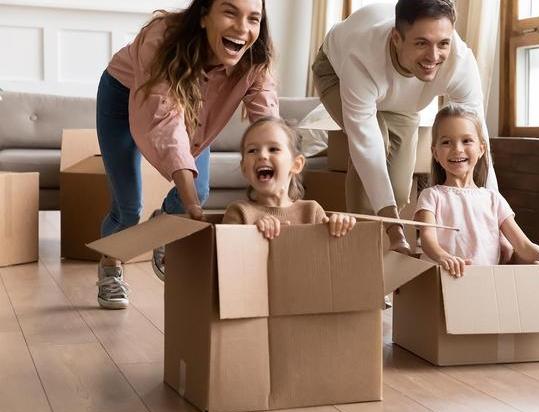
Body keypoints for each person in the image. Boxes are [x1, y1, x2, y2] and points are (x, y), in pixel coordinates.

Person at [95, 0, 278, 309]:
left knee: (200, 189)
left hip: (191, 108)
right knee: (128, 207)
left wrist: (281, 183)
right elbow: (165, 122)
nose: (242, 28)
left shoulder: (254, 60)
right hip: (123, 95)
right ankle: (110, 266)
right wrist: (189, 206)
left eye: (253, 19)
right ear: (204, 15)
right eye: (230, 12)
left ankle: (163, 223)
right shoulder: (162, 38)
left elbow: (268, 124)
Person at [312, 0, 498, 254]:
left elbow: (478, 139)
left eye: (443, 43)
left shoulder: (461, 61)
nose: (434, 56)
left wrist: (497, 220)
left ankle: (385, 249)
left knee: (398, 189)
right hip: (336, 71)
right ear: (396, 38)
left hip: (403, 101)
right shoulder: (361, 56)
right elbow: (367, 149)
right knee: (377, 143)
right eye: (421, 43)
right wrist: (394, 231)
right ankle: (358, 257)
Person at [414, 104, 539, 278]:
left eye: (466, 140)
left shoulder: (493, 199)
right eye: (446, 142)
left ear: (481, 149)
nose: (457, 149)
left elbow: (522, 245)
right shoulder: (431, 196)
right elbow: (428, 239)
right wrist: (443, 256)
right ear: (435, 153)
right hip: (443, 281)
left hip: (485, 285)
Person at [222, 116, 356, 238]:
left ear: (296, 164)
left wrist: (339, 226)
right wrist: (253, 233)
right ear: (244, 168)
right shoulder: (239, 212)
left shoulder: (311, 211)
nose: (262, 155)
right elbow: (226, 256)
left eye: (273, 149)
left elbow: (325, 255)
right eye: (252, 150)